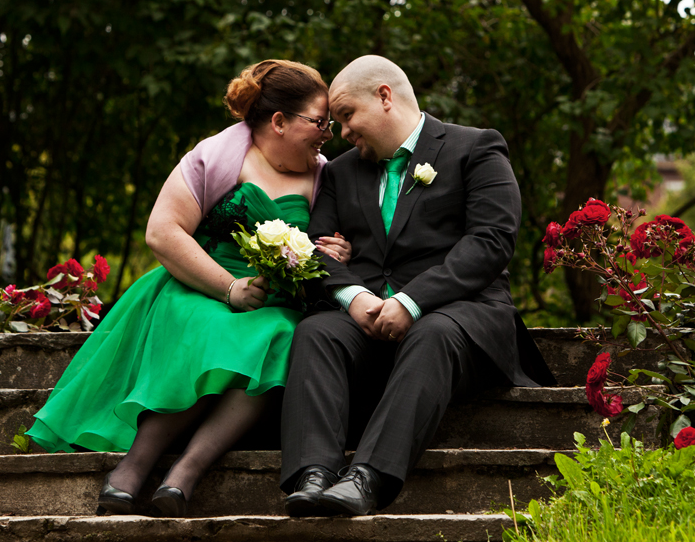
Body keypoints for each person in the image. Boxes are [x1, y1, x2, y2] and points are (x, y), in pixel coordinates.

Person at [28, 60, 351, 517]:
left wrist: (338, 251)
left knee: (280, 336)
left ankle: (184, 474)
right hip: (199, 285)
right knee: (206, 328)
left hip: (276, 303)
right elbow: (163, 231)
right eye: (319, 122)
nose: (327, 134)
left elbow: (334, 241)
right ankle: (132, 469)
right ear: (279, 122)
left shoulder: (326, 175)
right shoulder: (217, 155)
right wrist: (228, 288)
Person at [280, 55, 555, 517]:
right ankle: (314, 474)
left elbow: (491, 240)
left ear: (384, 96)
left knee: (433, 332)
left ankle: (367, 479)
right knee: (317, 332)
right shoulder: (340, 172)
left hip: (460, 316)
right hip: (367, 321)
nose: (341, 132)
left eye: (347, 116)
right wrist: (353, 296)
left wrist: (412, 300)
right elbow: (312, 251)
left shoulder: (476, 148)